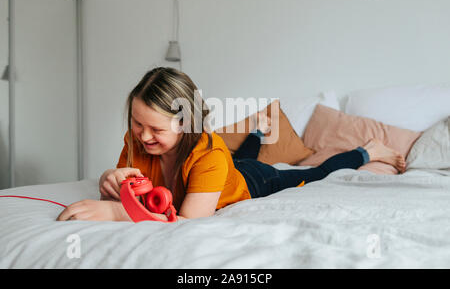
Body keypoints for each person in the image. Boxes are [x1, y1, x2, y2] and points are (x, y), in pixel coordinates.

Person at [56, 67, 406, 222]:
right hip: (227, 170)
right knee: (238, 157)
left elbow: (190, 218)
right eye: (137, 123)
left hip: (254, 182)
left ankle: (367, 151)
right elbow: (127, 189)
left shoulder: (208, 154)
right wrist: (109, 180)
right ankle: (257, 132)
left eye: (155, 129)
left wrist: (119, 213)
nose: (143, 136)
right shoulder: (136, 141)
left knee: (311, 173)